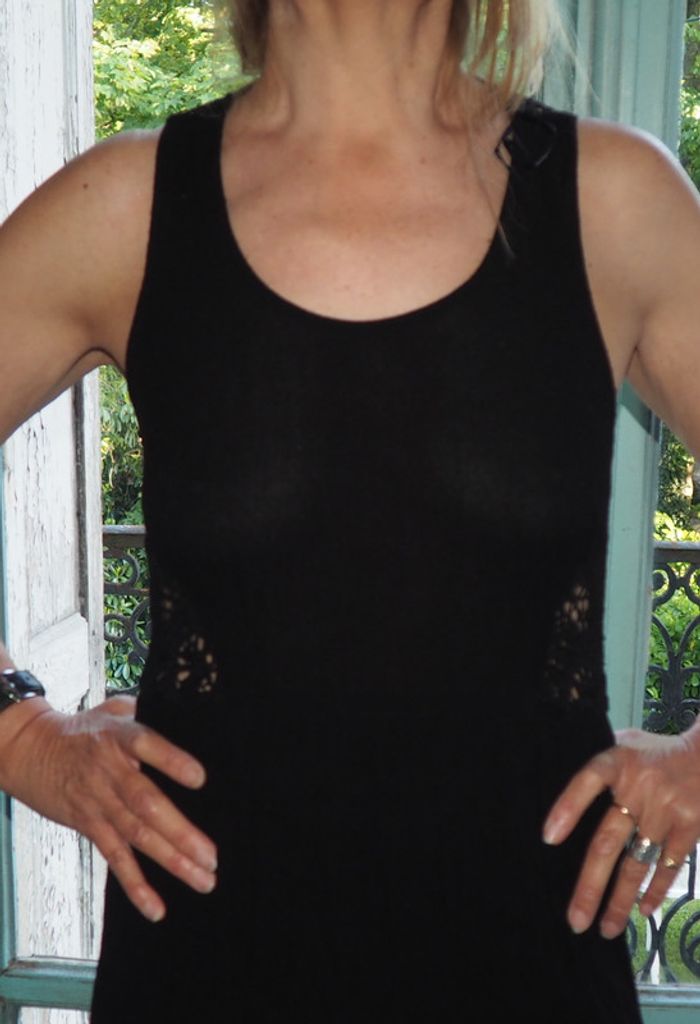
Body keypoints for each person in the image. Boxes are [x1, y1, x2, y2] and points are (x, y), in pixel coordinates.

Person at [0, 0, 699, 1019]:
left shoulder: (617, 204)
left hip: (529, 973)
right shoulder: (121, 210)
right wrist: (22, 737)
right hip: (207, 974)